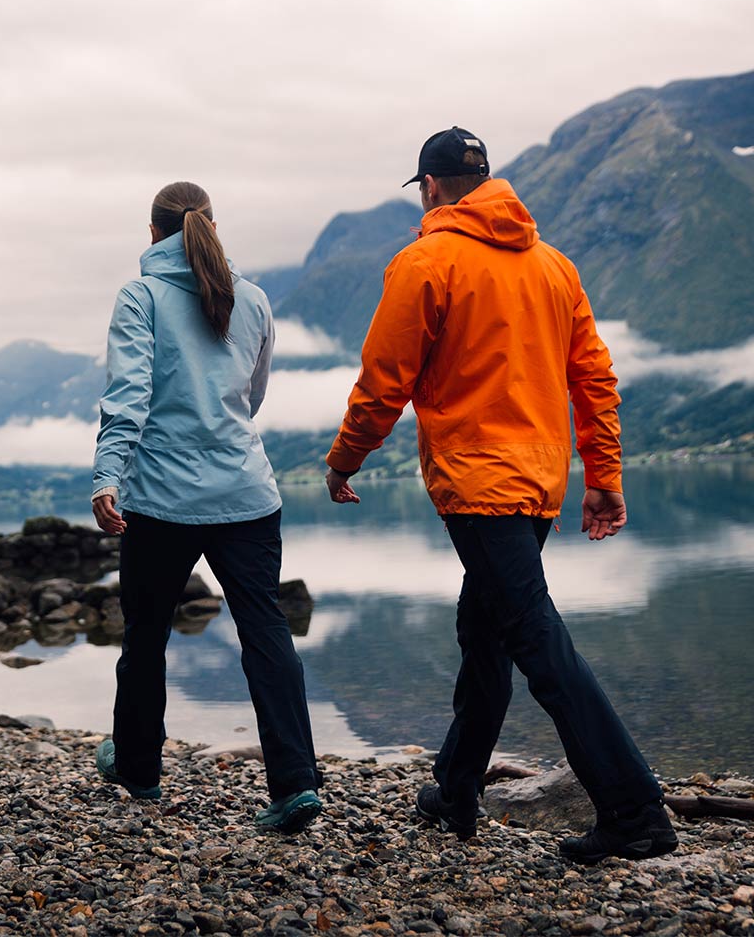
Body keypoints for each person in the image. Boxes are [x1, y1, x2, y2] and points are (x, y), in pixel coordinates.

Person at [324, 128, 678, 863]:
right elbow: (594, 378)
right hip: (541, 482)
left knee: (534, 639)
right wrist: (602, 476)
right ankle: (456, 789)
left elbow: (384, 381)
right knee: (484, 631)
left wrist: (344, 460)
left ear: (429, 187)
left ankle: (634, 811)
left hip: (477, 482)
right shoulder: (554, 266)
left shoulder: (426, 261)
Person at [91, 180, 323, 833]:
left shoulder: (141, 297)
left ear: (153, 235)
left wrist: (108, 476)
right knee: (266, 631)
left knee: (146, 635)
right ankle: (296, 784)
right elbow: (252, 395)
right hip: (247, 494)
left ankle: (139, 768)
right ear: (213, 229)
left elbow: (129, 395)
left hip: (161, 500)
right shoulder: (254, 299)